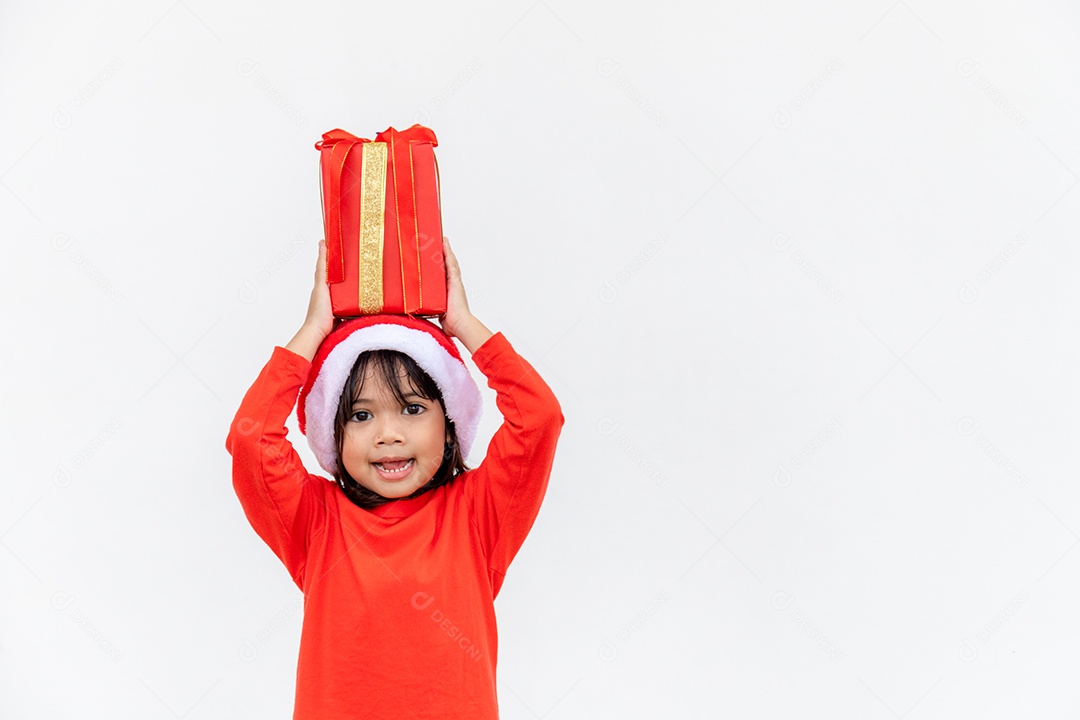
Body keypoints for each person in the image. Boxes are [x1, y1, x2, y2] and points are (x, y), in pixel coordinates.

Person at [225, 236, 564, 719]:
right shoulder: (317, 522)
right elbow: (250, 440)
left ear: (450, 428)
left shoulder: (476, 514)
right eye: (361, 416)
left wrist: (464, 326)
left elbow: (538, 418)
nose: (388, 435)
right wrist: (313, 331)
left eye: (412, 408)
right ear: (332, 435)